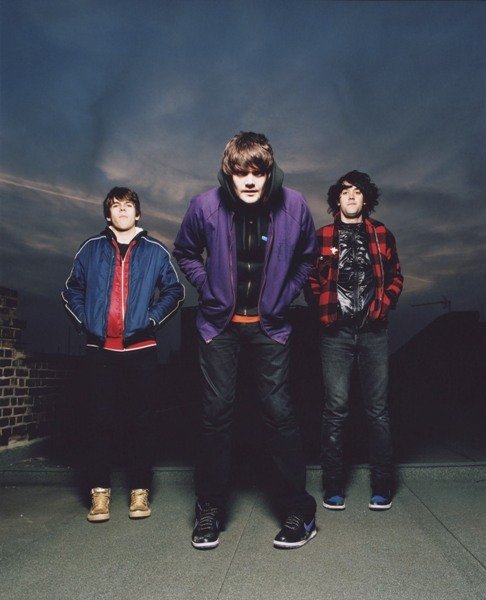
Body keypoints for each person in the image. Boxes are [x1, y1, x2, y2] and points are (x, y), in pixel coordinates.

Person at [173, 132, 318, 549]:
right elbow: (185, 252)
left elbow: (307, 257)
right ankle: (209, 507)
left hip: (270, 326)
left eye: (258, 171)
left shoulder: (294, 206)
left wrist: (285, 295)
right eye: (241, 172)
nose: (250, 180)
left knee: (279, 414)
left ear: (270, 172)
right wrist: (209, 289)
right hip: (220, 327)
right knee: (215, 415)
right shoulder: (204, 206)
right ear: (228, 174)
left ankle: (298, 510)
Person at [62, 187, 184, 522]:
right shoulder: (90, 248)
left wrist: (150, 319)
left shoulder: (155, 251)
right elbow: (71, 290)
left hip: (141, 350)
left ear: (138, 213)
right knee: (98, 421)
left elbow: (175, 291)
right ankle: (99, 494)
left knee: (141, 423)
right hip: (100, 350)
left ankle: (139, 491)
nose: (123, 210)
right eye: (116, 206)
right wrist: (87, 322)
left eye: (129, 205)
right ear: (108, 214)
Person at [307, 171, 403, 511]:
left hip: (374, 332)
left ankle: (382, 485)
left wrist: (383, 305)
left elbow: (396, 277)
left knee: (378, 411)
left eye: (357, 191)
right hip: (335, 334)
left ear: (366, 199)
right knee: (335, 410)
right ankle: (333, 485)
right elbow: (309, 279)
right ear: (337, 198)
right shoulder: (321, 236)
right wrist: (323, 311)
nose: (351, 196)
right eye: (345, 191)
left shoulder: (382, 234)